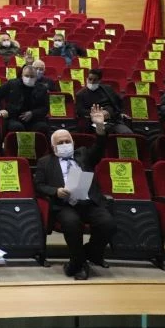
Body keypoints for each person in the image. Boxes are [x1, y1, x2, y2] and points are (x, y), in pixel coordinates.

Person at [34, 105, 115, 280]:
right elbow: (38, 185)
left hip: (89, 202)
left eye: (67, 141)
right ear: (53, 147)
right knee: (71, 224)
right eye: (60, 143)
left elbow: (99, 147)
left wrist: (100, 127)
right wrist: (55, 191)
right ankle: (79, 264)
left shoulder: (83, 154)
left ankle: (81, 258)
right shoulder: (44, 162)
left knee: (108, 224)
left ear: (73, 143)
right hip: (65, 205)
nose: (64, 145)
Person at [0, 65, 50, 135]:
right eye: (26, 76)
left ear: (36, 77)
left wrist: (32, 113)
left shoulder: (42, 88)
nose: (29, 78)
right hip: (14, 118)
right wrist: (0, 109)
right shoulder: (12, 84)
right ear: (22, 75)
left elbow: (45, 108)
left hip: (34, 119)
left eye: (32, 76)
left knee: (42, 127)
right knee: (17, 127)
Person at [75, 69, 132, 135]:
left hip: (113, 120)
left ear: (99, 81)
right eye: (90, 79)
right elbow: (80, 111)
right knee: (104, 132)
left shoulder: (108, 89)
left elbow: (118, 103)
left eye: (95, 80)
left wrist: (115, 112)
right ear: (86, 79)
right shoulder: (80, 94)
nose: (92, 82)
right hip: (95, 122)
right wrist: (98, 114)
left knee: (127, 134)